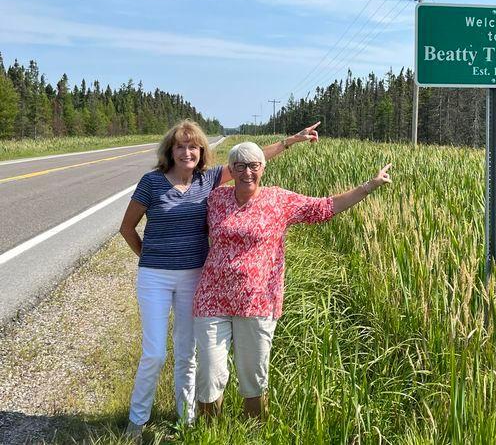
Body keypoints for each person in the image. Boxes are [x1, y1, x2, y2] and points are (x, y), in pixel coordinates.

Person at [119, 120, 320, 438]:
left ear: (202, 152)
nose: (187, 152)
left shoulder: (207, 180)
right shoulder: (152, 182)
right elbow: (127, 227)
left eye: (193, 147)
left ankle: (186, 419)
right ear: (170, 151)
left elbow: (250, 162)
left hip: (194, 276)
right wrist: (149, 257)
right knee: (155, 352)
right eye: (180, 146)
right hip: (155, 276)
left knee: (187, 353)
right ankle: (137, 419)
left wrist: (290, 141)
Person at [192, 141, 392, 420]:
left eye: (254, 165)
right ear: (232, 169)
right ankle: (208, 433)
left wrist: (369, 185)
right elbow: (184, 220)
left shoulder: (279, 201)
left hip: (257, 301)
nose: (247, 172)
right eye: (240, 166)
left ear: (262, 168)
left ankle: (252, 432)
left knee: (253, 376)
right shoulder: (216, 199)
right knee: (209, 374)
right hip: (211, 299)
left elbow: (325, 207)